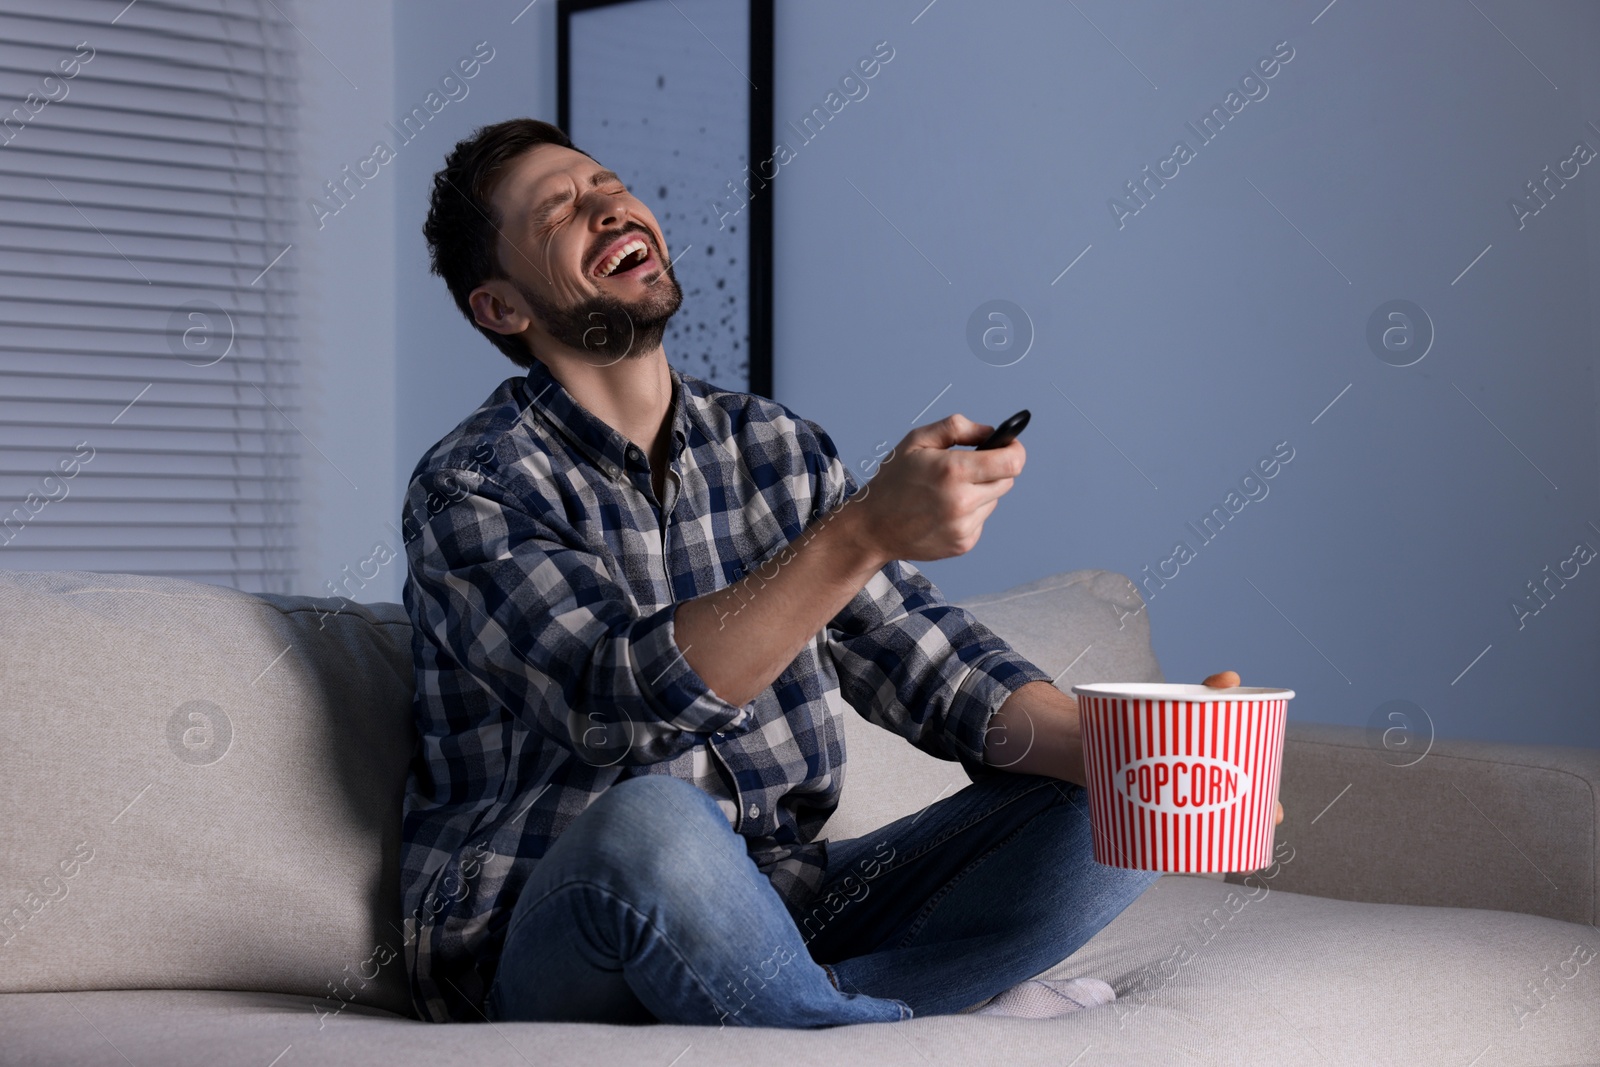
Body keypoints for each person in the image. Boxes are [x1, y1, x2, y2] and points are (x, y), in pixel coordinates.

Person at [399, 117, 1278, 1027]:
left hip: (785, 906)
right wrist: (858, 532)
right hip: (557, 931)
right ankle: (898, 1026)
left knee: (1118, 803)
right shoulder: (473, 486)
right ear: (501, 306)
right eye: (559, 212)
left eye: (607, 183)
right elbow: (622, 699)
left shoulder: (772, 446)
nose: (607, 204)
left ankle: (822, 1012)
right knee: (652, 821)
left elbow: (934, 667)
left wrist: (1157, 750)